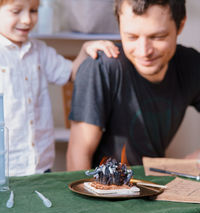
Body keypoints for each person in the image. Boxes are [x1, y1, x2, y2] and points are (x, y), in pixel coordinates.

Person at [67, 0, 200, 171]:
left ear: (180, 25)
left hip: (154, 186)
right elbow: (78, 154)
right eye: (132, 37)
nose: (144, 51)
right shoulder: (103, 67)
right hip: (103, 190)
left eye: (157, 37)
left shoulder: (191, 64)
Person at [0, 0, 119, 176]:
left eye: (33, 10)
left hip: (41, 166)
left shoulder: (40, 51)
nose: (27, 20)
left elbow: (71, 73)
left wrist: (85, 51)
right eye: (16, 11)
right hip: (7, 168)